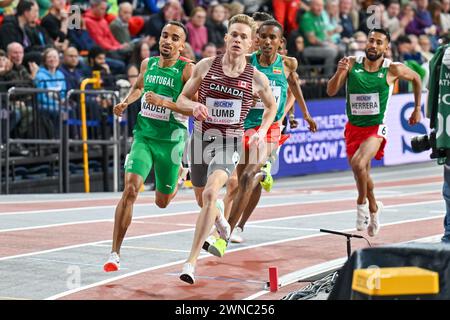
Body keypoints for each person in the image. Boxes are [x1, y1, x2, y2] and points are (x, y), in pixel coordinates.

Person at [177, 14, 278, 284]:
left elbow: (272, 107)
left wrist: (262, 132)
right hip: (200, 139)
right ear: (226, 38)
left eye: (244, 37)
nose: (237, 40)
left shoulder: (256, 77)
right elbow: (182, 98)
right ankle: (221, 219)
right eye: (234, 34)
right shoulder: (205, 66)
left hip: (229, 142)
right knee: (202, 201)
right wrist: (193, 106)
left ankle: (191, 262)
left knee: (212, 194)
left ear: (251, 45)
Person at [103, 21, 194, 272]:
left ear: (181, 45)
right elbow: (140, 88)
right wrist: (125, 102)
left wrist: (166, 102)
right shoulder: (148, 64)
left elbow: (194, 108)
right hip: (144, 136)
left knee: (162, 203)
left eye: (174, 38)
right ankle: (114, 253)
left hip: (172, 141)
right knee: (131, 189)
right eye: (165, 35)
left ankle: (178, 178)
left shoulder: (187, 70)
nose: (167, 40)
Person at [221, 20, 317, 248]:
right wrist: (246, 96)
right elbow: (232, 88)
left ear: (281, 42)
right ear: (256, 40)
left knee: (246, 177)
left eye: (272, 38)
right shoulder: (247, 63)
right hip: (246, 126)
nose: (267, 41)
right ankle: (262, 176)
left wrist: (306, 114)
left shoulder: (288, 64)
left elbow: (294, 86)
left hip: (271, 128)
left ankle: (229, 231)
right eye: (262, 37)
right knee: (244, 181)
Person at [326, 28, 422, 237]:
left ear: (386, 47)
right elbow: (331, 91)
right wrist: (339, 71)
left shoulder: (392, 69)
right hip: (353, 129)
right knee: (363, 174)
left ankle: (361, 206)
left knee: (358, 164)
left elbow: (416, 78)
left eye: (379, 42)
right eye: (371, 41)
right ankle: (375, 209)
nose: (373, 45)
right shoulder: (351, 63)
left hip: (375, 129)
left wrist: (417, 108)